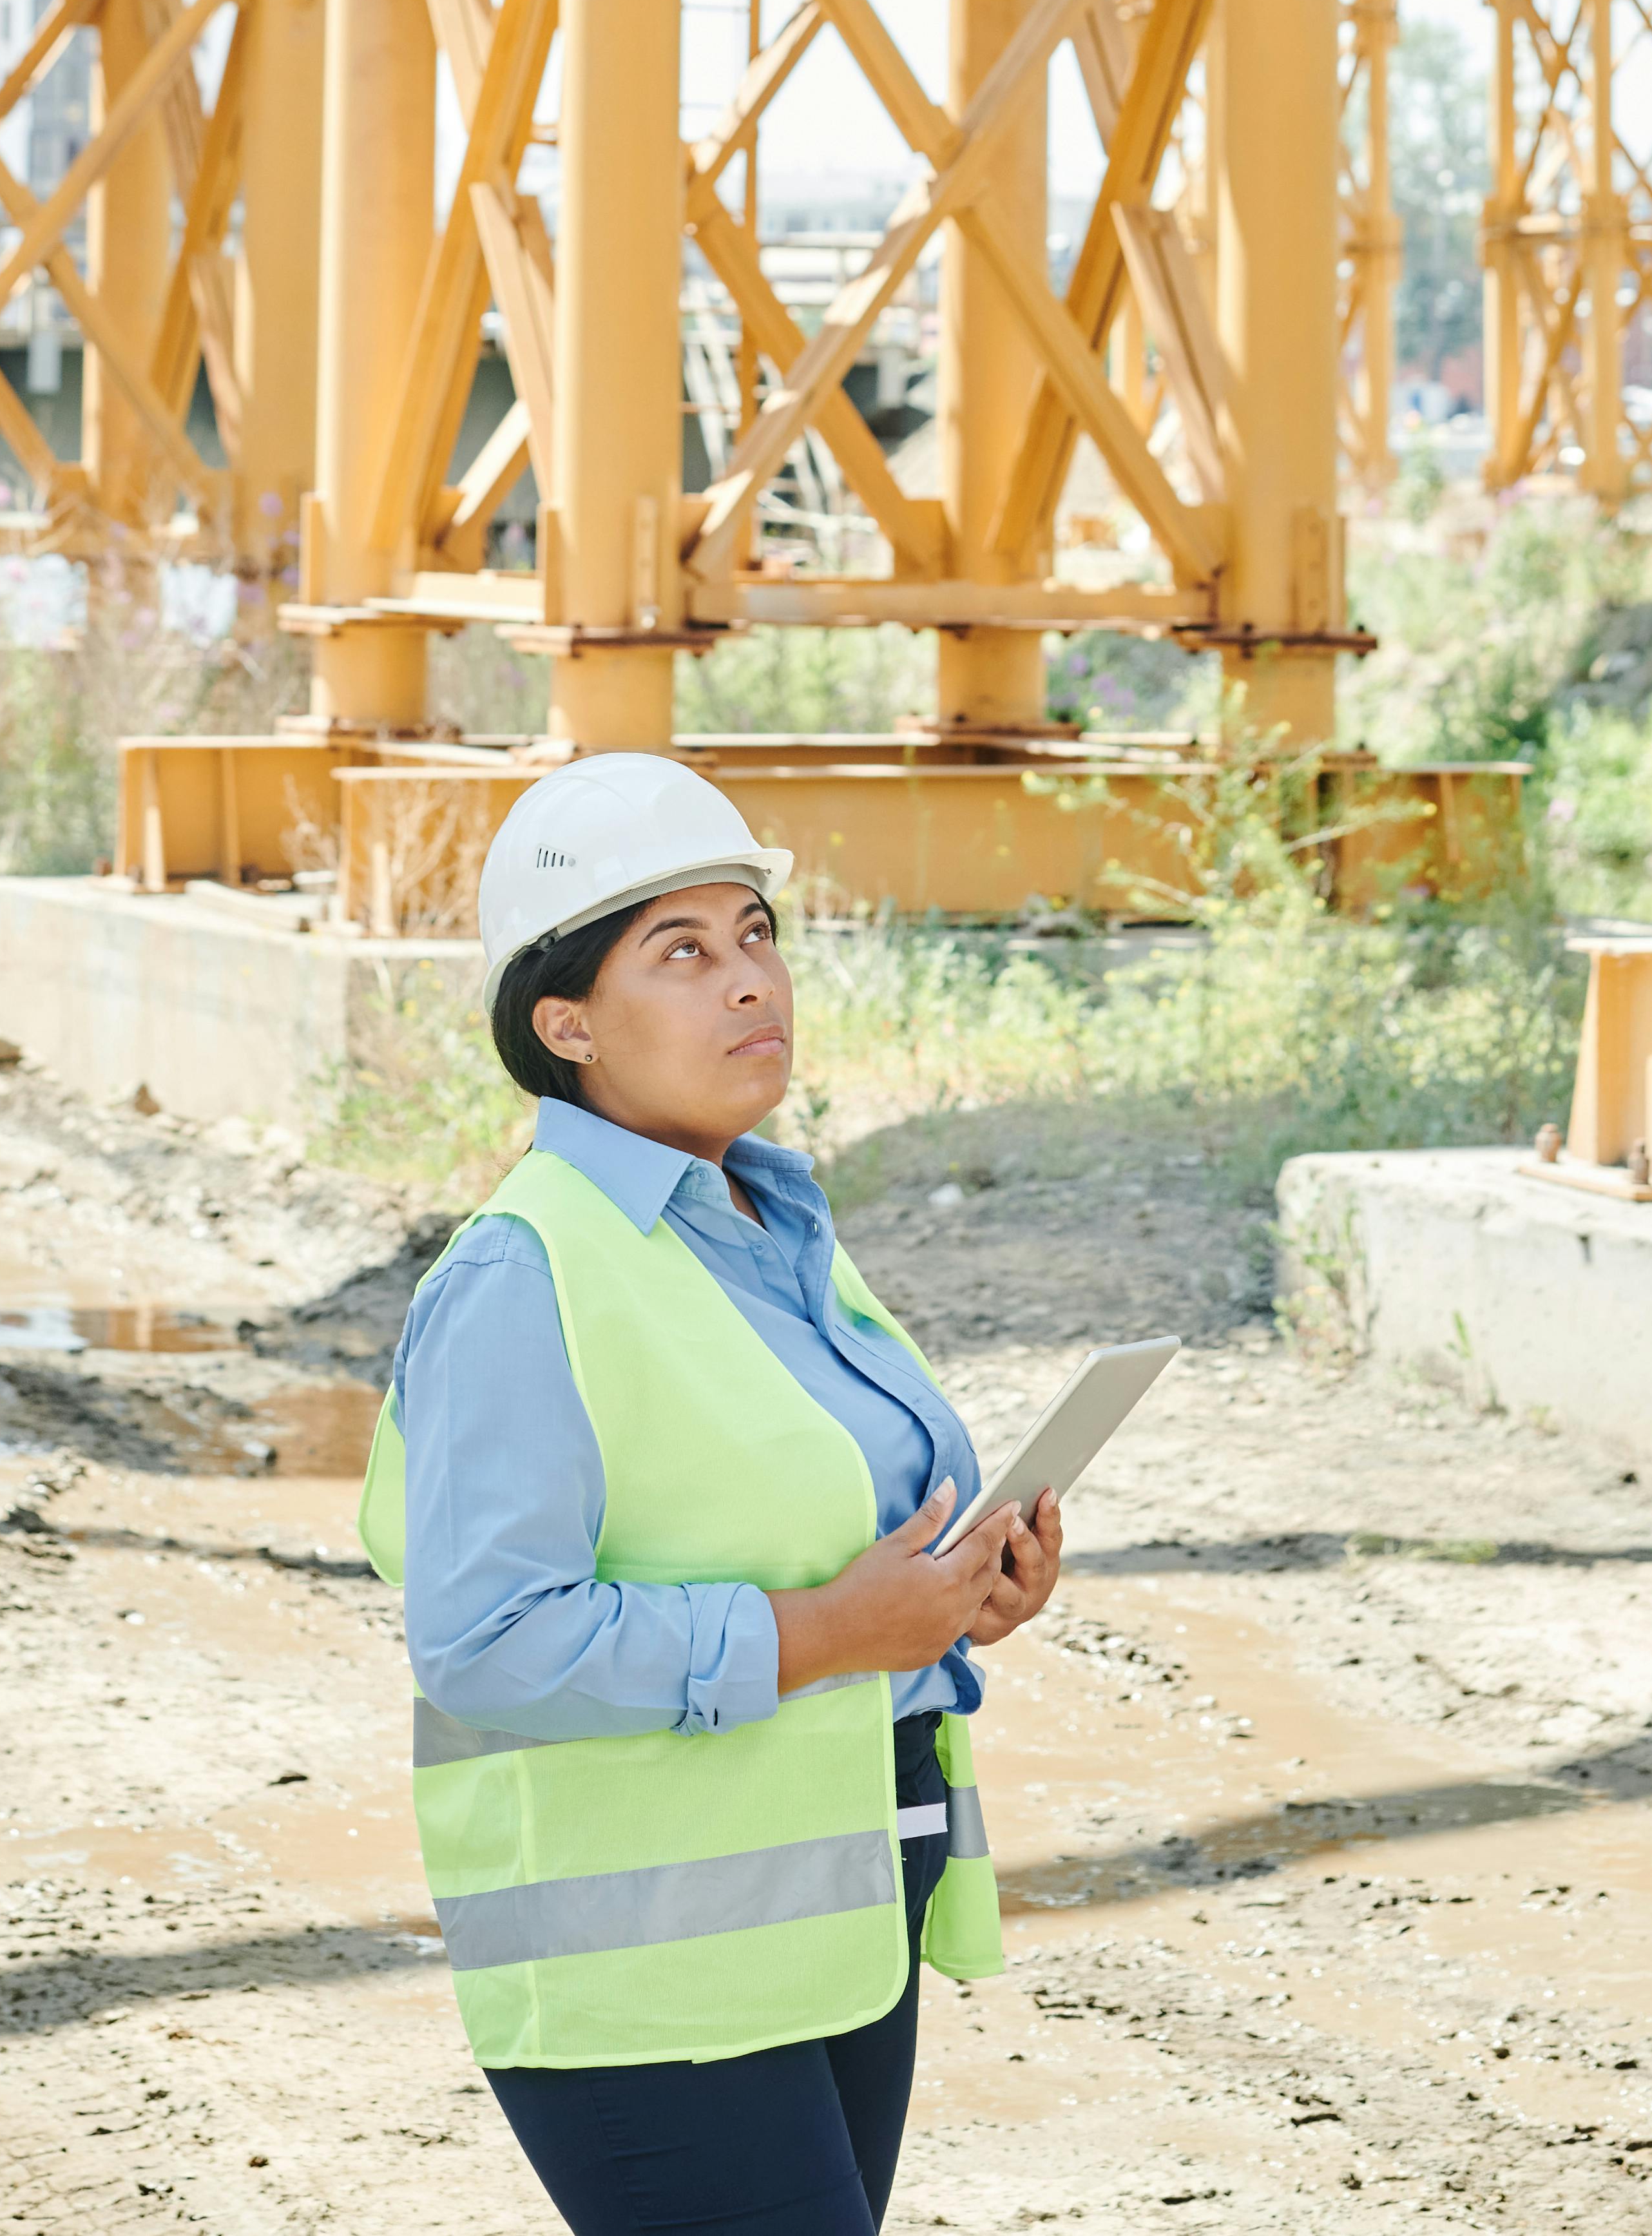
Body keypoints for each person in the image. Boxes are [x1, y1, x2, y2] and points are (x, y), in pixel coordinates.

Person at [359, 753, 1064, 2236]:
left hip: (832, 1917)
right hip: (646, 1981)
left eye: (756, 937)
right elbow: (485, 1642)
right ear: (566, 1024)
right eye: (681, 953)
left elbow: (818, 1533)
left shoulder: (766, 1221)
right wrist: (828, 1630)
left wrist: (956, 1601)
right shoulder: (522, 1272)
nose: (749, 984)